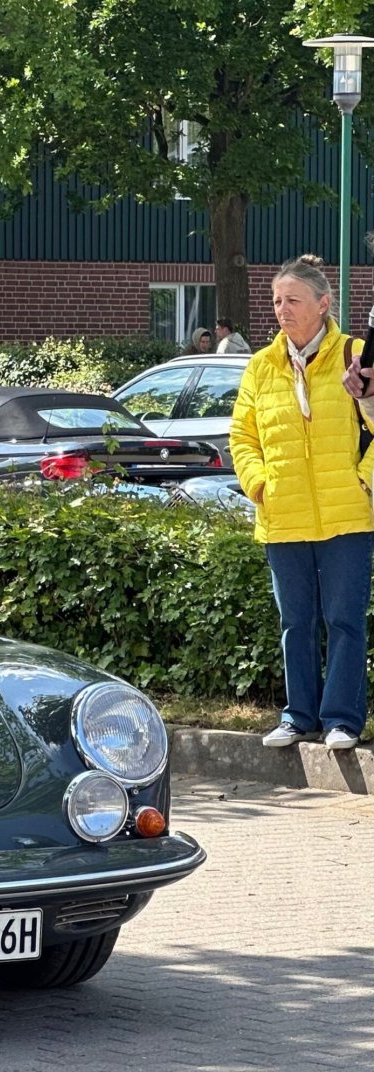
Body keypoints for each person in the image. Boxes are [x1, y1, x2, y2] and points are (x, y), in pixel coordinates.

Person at [229, 254, 374, 753]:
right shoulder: (261, 365)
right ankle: (298, 717)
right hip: (283, 514)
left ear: (323, 303)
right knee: (296, 623)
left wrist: (363, 479)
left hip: (346, 514)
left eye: (292, 299)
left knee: (344, 620)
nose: (282, 309)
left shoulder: (356, 354)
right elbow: (242, 436)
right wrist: (260, 484)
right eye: (276, 301)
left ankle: (342, 720)